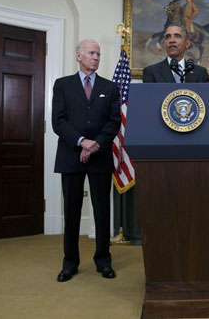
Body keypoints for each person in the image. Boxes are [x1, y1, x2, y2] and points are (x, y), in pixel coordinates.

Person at [52, 39, 121, 282]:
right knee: (71, 210)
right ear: (78, 56)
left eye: (99, 54)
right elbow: (58, 121)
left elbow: (114, 122)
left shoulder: (110, 88)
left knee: (102, 211)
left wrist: (95, 145)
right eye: (91, 53)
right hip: (71, 154)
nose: (96, 57)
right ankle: (70, 263)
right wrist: (82, 142)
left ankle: (103, 260)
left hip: (100, 155)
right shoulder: (62, 85)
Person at [142, 24, 209, 83]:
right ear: (164, 44)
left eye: (177, 36)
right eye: (168, 37)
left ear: (187, 44)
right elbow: (149, 103)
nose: (172, 40)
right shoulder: (151, 72)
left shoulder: (200, 73)